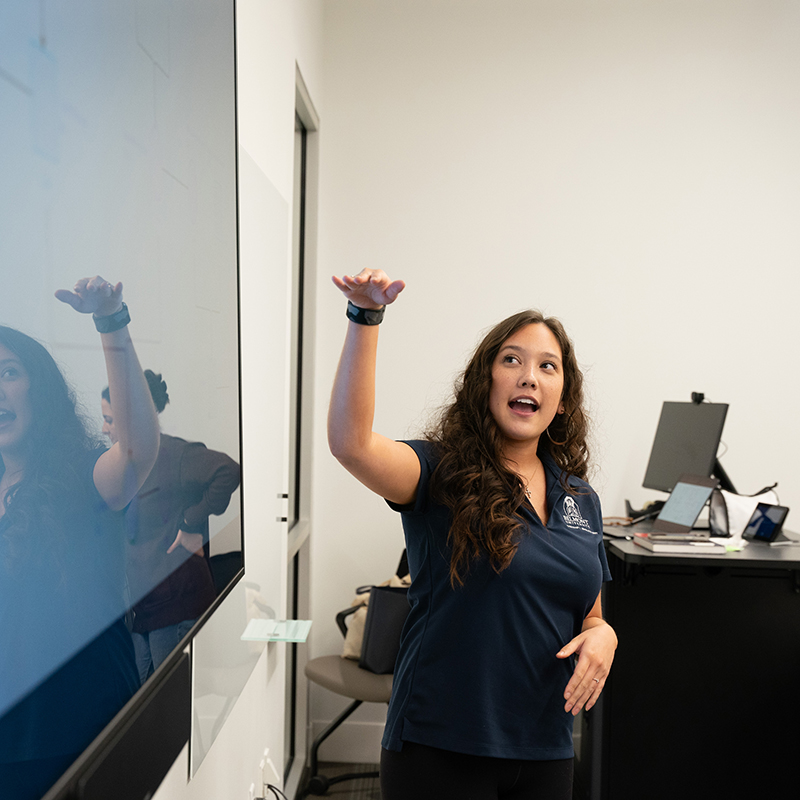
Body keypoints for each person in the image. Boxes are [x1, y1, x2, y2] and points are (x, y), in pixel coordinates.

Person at [328, 269, 617, 800]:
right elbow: (352, 445)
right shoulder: (439, 471)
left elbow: (590, 613)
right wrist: (365, 318)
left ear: (562, 394)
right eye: (512, 360)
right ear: (484, 380)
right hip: (441, 747)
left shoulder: (580, 498)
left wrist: (605, 635)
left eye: (546, 366)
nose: (529, 376)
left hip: (544, 748)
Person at [0, 276, 160, 800]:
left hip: (80, 732)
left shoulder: (79, 475)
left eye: (9, 373)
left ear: (38, 387)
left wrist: (111, 321)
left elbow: (135, 453)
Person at [101, 370, 240, 683]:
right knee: (140, 697)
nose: (104, 428)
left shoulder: (175, 455)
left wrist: (191, 520)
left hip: (175, 606)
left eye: (110, 419)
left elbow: (227, 471)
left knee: (171, 701)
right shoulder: (121, 465)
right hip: (142, 610)